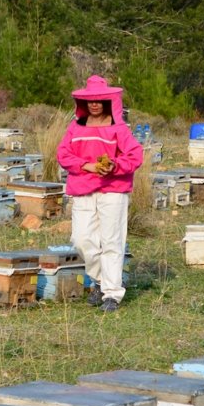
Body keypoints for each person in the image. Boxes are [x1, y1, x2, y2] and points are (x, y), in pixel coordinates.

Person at [57, 75, 144, 313]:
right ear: (83, 103)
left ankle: (112, 294)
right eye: (91, 101)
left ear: (109, 102)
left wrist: (114, 165)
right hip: (83, 187)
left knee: (112, 241)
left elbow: (135, 156)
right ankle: (99, 280)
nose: (95, 104)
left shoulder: (119, 128)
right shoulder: (75, 128)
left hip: (113, 189)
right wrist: (89, 166)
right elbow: (63, 155)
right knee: (82, 239)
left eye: (100, 100)